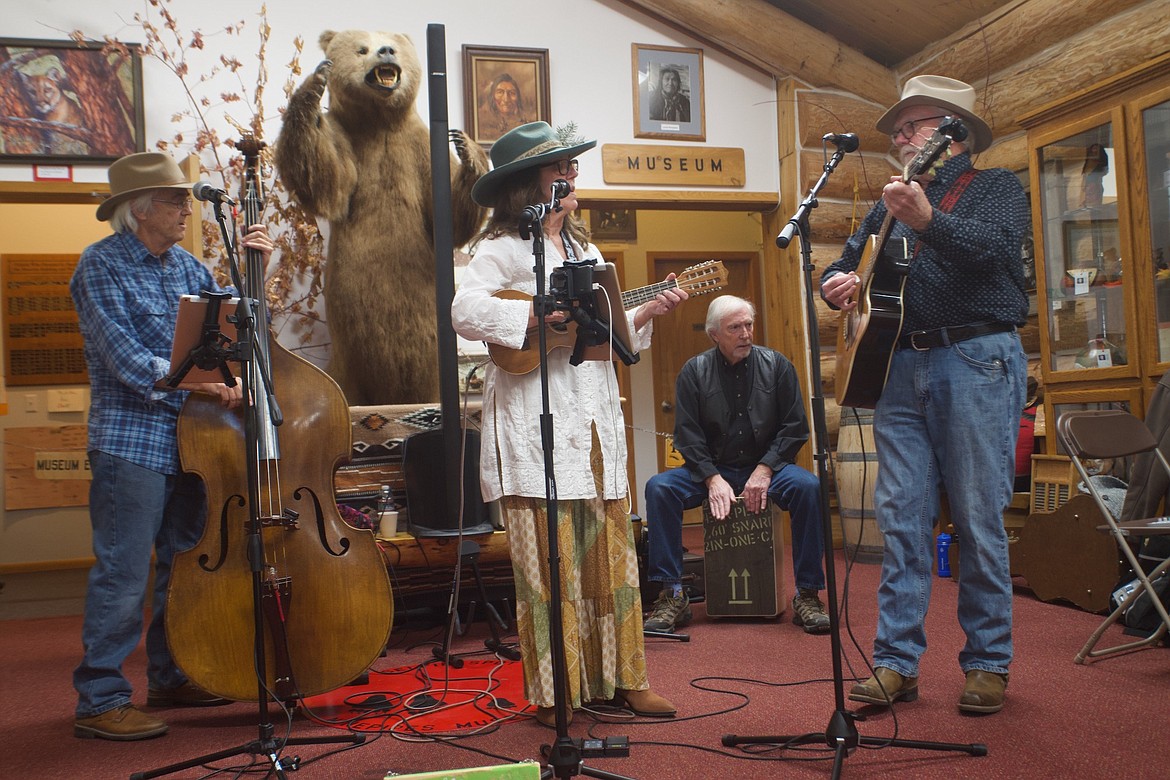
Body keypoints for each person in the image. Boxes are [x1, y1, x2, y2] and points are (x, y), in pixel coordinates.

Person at [451, 121, 685, 728]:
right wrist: (537, 311)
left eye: (572, 168)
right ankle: (559, 690)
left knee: (611, 560)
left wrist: (646, 311)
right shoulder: (500, 249)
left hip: (594, 423)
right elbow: (464, 310)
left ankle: (625, 679)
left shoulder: (588, 254)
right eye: (561, 169)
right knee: (550, 569)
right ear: (530, 184)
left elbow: (611, 337)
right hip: (535, 423)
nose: (573, 176)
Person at [820, 75, 1029, 715]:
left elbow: (992, 254)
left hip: (976, 359)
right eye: (899, 128)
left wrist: (930, 220)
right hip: (898, 369)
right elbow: (845, 263)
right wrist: (836, 283)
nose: (901, 137)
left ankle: (988, 662)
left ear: (953, 134)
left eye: (914, 125)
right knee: (902, 521)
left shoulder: (996, 187)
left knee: (977, 516)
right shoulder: (885, 205)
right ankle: (896, 662)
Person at [70, 152, 274, 740]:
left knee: (180, 568)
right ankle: (100, 699)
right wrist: (204, 380)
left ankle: (169, 675)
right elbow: (127, 360)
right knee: (124, 572)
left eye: (186, 199)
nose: (187, 208)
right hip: (129, 443)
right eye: (173, 200)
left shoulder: (188, 268)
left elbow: (235, 329)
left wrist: (256, 269)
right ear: (137, 210)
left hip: (191, 444)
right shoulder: (98, 267)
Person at [642, 295, 830, 635]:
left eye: (748, 325)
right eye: (735, 328)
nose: (745, 334)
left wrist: (766, 468)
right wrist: (712, 479)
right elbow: (687, 435)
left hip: (768, 467)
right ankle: (672, 594)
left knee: (808, 488)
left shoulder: (778, 365)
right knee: (660, 488)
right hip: (715, 468)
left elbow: (795, 428)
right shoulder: (694, 372)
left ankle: (808, 594)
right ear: (715, 334)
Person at [480, 72, 531, 141]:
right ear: (492, 96)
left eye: (512, 93)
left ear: (518, 97)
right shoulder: (484, 125)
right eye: (500, 92)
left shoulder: (527, 125)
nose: (506, 99)